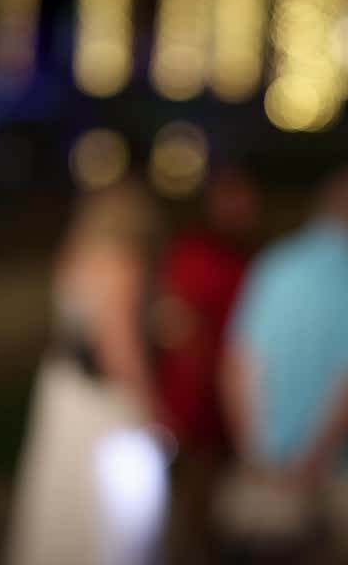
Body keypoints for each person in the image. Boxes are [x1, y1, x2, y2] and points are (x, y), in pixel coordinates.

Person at [218, 167, 348, 561]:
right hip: (332, 473)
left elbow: (237, 363)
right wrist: (314, 459)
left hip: (265, 465)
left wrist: (251, 450)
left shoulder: (275, 264)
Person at [7, 182, 169, 565]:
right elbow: (118, 346)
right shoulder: (122, 261)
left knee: (63, 505)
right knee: (115, 523)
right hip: (102, 405)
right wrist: (156, 412)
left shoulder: (74, 254)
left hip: (63, 391)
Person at [153, 164, 259, 562]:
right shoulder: (194, 252)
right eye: (233, 200)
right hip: (197, 392)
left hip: (232, 389)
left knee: (222, 488)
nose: (243, 210)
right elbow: (176, 320)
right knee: (197, 485)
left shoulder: (247, 255)